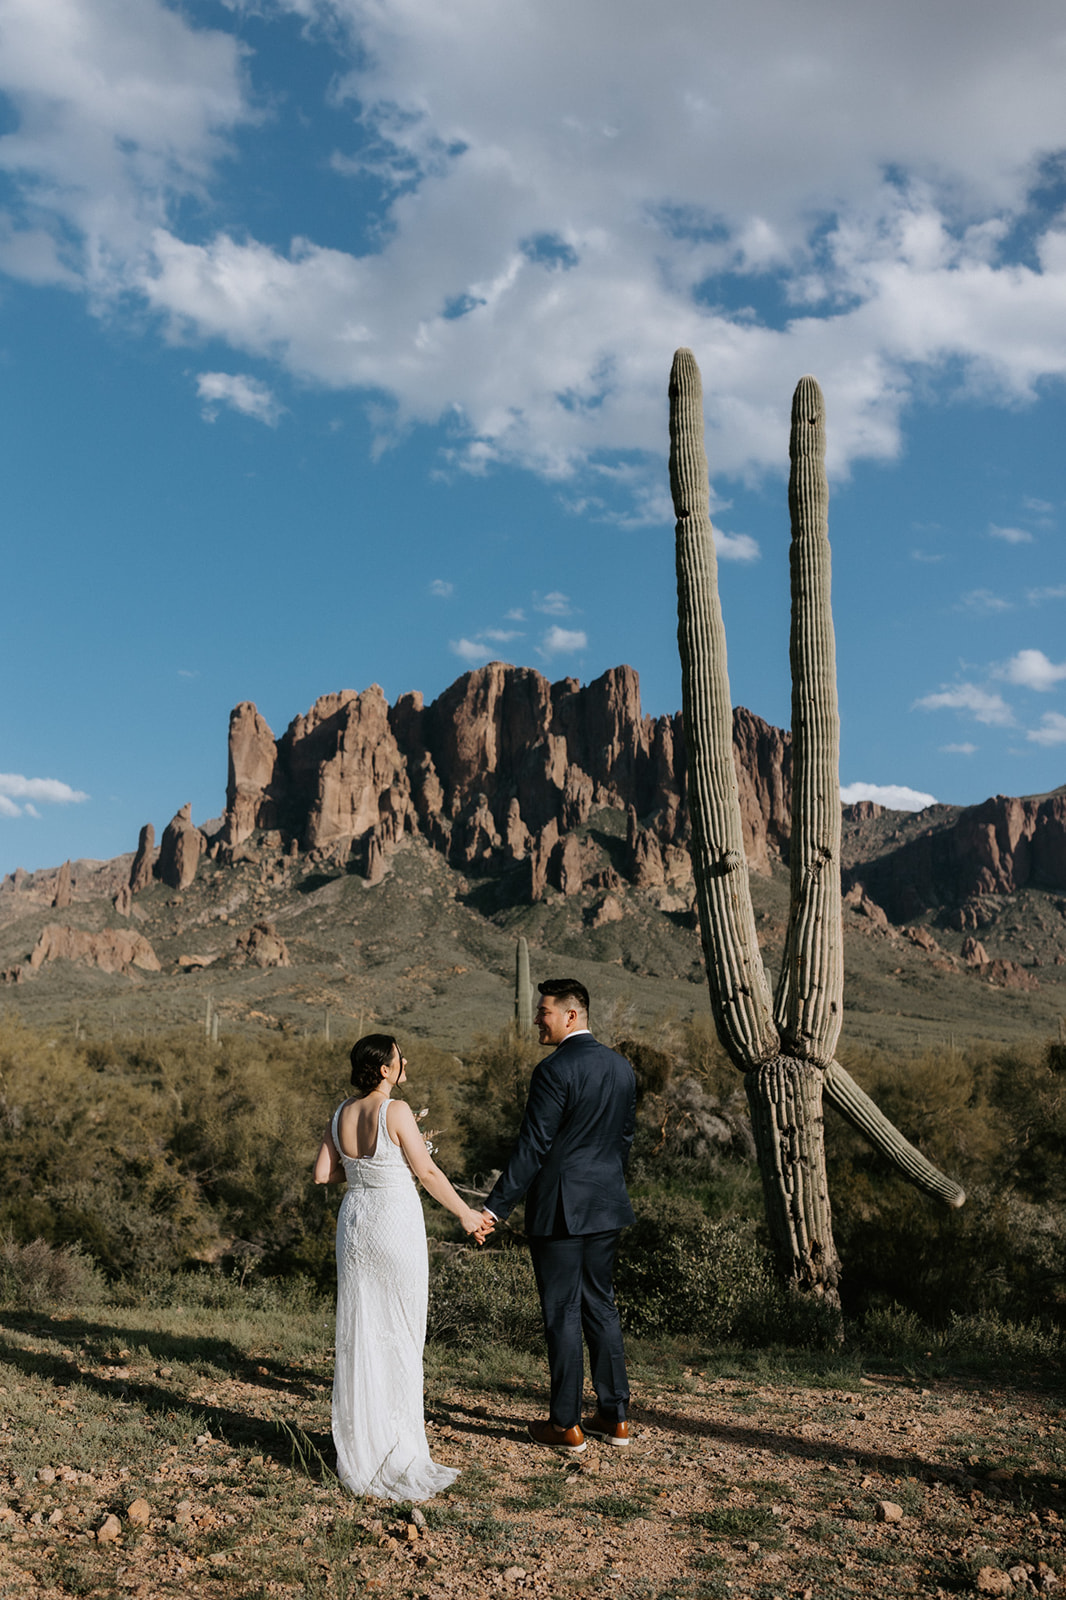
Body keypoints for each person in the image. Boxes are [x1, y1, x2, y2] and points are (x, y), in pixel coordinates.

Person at [315, 1033, 490, 1500]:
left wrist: (361, 1172)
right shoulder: (396, 1110)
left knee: (363, 1330)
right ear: (386, 1070)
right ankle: (398, 1449)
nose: (405, 1061)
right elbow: (427, 1172)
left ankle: (361, 1447)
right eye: (399, 1057)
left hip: (354, 1224)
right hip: (393, 1221)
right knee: (401, 1329)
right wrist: (466, 1214)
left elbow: (322, 1174)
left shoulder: (340, 1113)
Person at [480, 979, 636, 1454]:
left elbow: (533, 1147)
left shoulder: (553, 1071)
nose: (536, 1020)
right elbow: (623, 1140)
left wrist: (494, 1207)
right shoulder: (621, 1067)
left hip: (562, 1211)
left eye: (543, 1011)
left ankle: (565, 1424)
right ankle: (615, 1418)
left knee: (563, 1313)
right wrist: (605, 1186)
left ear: (571, 1015)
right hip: (606, 1204)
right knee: (601, 1306)